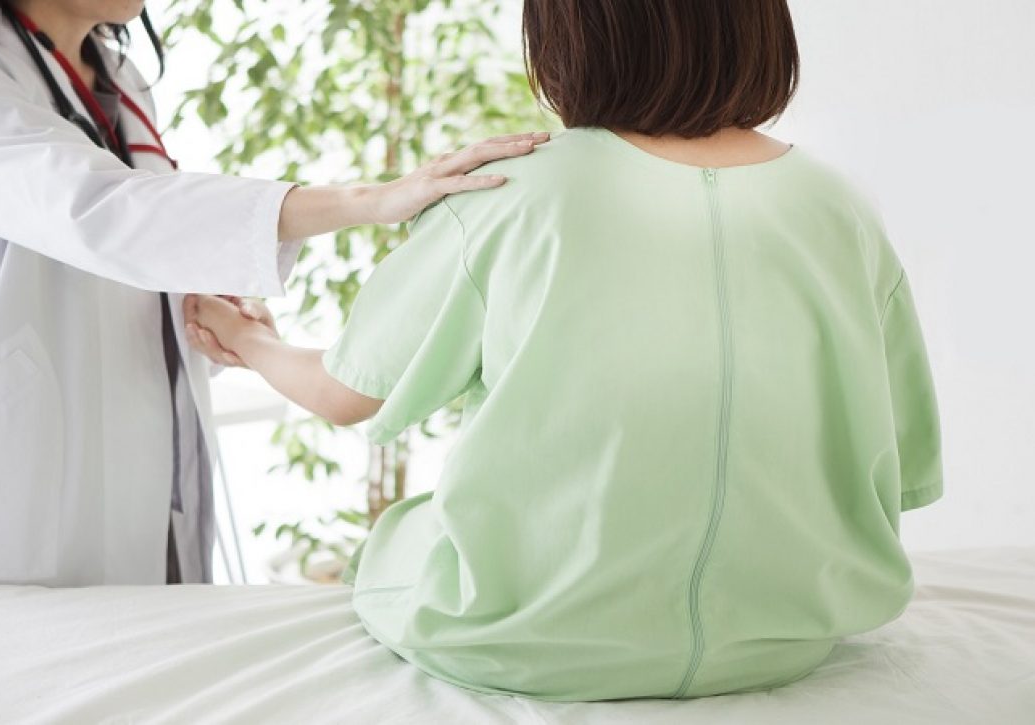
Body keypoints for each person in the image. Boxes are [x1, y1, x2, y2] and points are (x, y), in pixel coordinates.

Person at [187, 0, 942, 702]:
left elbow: (347, 393)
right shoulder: (838, 204)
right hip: (786, 634)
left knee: (400, 544)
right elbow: (896, 455)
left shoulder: (508, 193)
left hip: (528, 641)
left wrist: (250, 340)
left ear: (568, 38)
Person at [0, 0, 547, 597]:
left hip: (124, 454)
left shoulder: (117, 80)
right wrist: (370, 200)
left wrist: (206, 299)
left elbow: (137, 241)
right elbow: (100, 209)